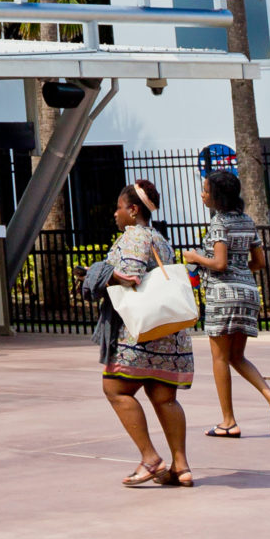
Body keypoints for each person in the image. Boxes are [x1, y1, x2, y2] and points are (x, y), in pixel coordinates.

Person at [90, 179, 194, 488]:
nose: (116, 214)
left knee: (116, 390)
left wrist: (98, 275)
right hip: (170, 335)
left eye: (120, 208)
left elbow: (130, 277)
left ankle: (150, 458)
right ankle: (182, 466)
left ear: (133, 210)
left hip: (139, 335)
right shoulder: (159, 238)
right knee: (164, 398)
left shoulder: (132, 236)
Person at [183, 170, 270, 439]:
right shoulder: (247, 221)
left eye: (205, 190)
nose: (202, 194)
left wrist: (195, 257)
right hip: (247, 293)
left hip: (223, 295)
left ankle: (228, 421)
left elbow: (219, 263)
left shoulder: (219, 223)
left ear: (217, 195)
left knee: (220, 358)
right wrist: (240, 270)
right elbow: (259, 262)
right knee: (236, 356)